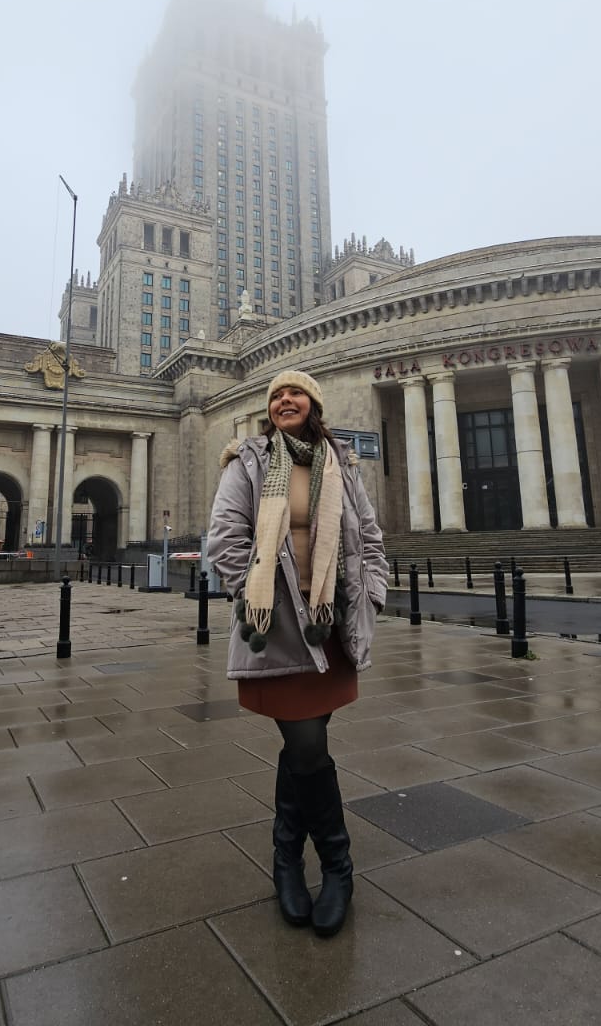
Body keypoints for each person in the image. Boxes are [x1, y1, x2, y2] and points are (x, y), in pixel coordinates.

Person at [207, 370, 387, 938]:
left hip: (330, 627)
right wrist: (254, 590)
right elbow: (224, 537)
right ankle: (336, 867)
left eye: (296, 393)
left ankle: (289, 861)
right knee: (307, 747)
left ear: (314, 404)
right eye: (276, 395)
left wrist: (373, 595)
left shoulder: (341, 463)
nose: (285, 400)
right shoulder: (249, 461)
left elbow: (371, 537)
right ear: (269, 409)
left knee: (304, 749)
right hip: (279, 628)